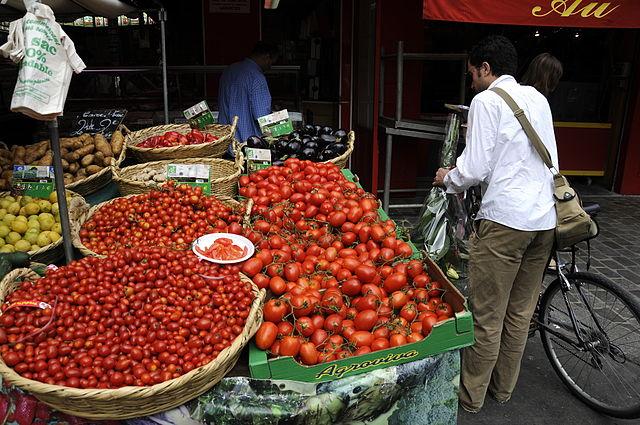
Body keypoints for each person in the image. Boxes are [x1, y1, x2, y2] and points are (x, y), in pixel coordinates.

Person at [433, 35, 559, 413]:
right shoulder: (538, 98)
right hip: (544, 220)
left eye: (473, 73)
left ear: (486, 68)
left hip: (505, 221)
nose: (471, 81)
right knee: (519, 314)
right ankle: (502, 390)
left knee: (487, 315)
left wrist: (447, 178)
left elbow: (475, 168)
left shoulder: (486, 101)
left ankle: (471, 398)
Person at [218, 41, 279, 153]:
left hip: (224, 145)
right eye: (271, 63)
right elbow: (263, 117)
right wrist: (282, 132)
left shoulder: (229, 70)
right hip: (247, 147)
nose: (270, 67)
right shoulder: (257, 78)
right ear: (266, 57)